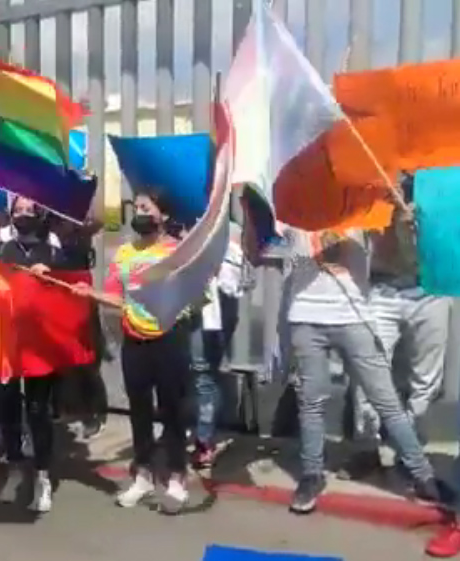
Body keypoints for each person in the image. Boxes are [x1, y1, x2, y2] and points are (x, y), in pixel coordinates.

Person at [270, 225, 440, 514]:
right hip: (305, 315)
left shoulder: (362, 209)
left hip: (353, 316)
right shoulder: (295, 209)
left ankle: (423, 474)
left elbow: (390, 253)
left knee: (384, 399)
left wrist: (407, 229)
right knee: (312, 401)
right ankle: (311, 475)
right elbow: (268, 250)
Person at [76, 192, 192, 515]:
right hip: (134, 343)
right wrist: (91, 294)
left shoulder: (179, 251)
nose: (139, 213)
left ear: (163, 215)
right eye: (136, 208)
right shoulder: (124, 253)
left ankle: (177, 477)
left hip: (170, 339)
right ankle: (142, 474)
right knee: (139, 411)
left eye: (146, 208)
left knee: (172, 411)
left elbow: (192, 295)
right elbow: (116, 297)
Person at [344, 175, 450, 481]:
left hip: (430, 289)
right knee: (368, 369)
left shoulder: (440, 184)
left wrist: (426, 228)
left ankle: (409, 443)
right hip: (383, 288)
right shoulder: (378, 182)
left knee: (427, 378)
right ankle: (368, 446)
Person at [0, 196, 64, 513]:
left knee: (37, 411)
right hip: (7, 342)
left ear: (41, 213)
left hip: (41, 346)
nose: (23, 215)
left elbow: (71, 291)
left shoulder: (55, 253)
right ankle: (15, 467)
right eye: (17, 210)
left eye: (29, 209)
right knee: (6, 407)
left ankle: (43, 477)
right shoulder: (0, 251)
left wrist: (51, 275)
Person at [190, 227, 245, 469]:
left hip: (215, 312)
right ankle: (190, 432)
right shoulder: (181, 225)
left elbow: (238, 281)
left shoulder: (233, 231)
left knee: (204, 374)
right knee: (192, 373)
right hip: (183, 308)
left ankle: (204, 439)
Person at [49, 215, 108, 440]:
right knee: (57, 356)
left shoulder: (79, 229)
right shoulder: (44, 225)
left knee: (86, 358)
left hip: (79, 293)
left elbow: (98, 221)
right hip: (53, 294)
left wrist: (74, 222)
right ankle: (63, 408)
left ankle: (93, 414)